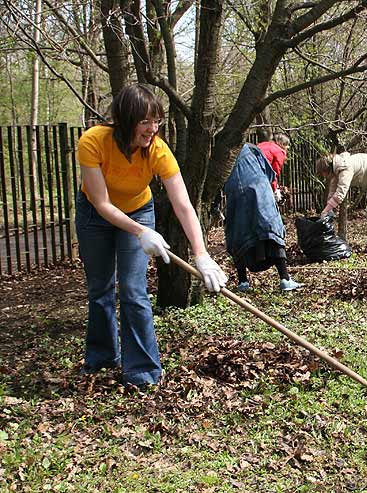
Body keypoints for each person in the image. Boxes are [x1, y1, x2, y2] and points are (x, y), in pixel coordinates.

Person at [75, 83, 227, 387]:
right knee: (100, 289)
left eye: (156, 121)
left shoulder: (157, 149)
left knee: (134, 290)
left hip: (137, 210)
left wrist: (202, 255)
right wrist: (141, 231)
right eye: (145, 121)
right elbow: (102, 203)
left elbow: (183, 205)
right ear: (126, 119)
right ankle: (102, 357)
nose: (152, 129)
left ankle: (143, 371)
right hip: (95, 214)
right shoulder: (93, 142)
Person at [224, 143, 303, 293]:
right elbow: (272, 171)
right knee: (270, 226)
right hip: (259, 187)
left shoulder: (222, 154)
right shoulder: (255, 149)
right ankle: (285, 279)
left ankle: (243, 282)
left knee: (237, 231)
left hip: (235, 193)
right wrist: (273, 190)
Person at [315, 152, 367, 257]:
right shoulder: (338, 168)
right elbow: (332, 192)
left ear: (326, 169)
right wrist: (328, 209)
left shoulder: (345, 169)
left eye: (322, 173)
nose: (323, 176)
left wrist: (325, 211)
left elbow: (340, 194)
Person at [256, 128, 291, 203]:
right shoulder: (279, 151)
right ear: (283, 144)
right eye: (287, 146)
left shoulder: (262, 145)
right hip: (258, 180)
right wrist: (274, 190)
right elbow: (273, 173)